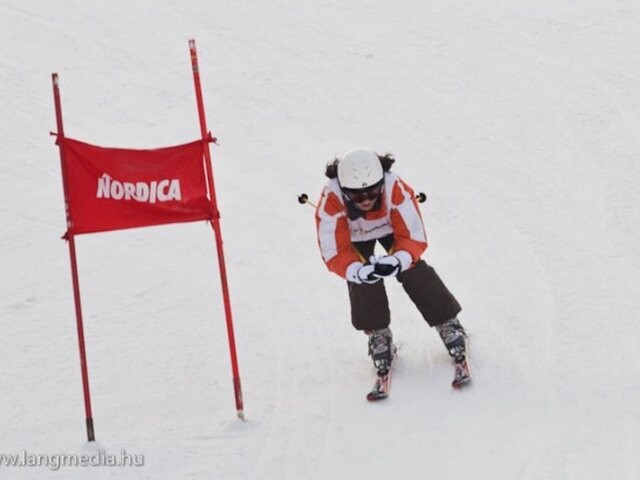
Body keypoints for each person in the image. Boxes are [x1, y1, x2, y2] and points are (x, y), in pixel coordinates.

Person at [315, 147, 468, 376]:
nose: (366, 200)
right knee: (364, 279)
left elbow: (412, 236)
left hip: (391, 228)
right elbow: (334, 250)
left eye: (373, 192)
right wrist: (356, 271)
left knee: (413, 268)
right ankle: (378, 333)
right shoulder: (331, 199)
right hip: (353, 235)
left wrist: (399, 260)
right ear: (345, 190)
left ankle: (447, 322)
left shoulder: (395, 187)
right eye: (357, 196)